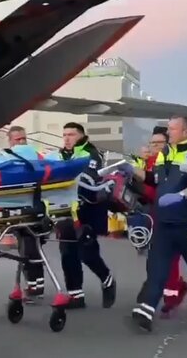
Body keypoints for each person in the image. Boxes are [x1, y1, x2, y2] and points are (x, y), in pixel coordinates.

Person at [130, 116, 187, 332]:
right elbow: (155, 179)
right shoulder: (165, 154)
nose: (168, 133)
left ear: (185, 132)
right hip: (165, 224)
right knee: (156, 268)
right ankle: (146, 311)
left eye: (172, 129)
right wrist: (132, 171)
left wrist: (180, 196)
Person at [58, 122, 116, 309]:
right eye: (65, 135)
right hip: (66, 210)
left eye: (71, 134)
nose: (67, 138)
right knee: (68, 253)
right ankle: (76, 295)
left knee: (87, 253)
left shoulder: (91, 153)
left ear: (81, 135)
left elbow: (89, 179)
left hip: (87, 211)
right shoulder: (61, 155)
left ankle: (107, 279)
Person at [6, 126, 48, 300]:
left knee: (30, 245)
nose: (22, 142)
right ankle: (34, 284)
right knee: (27, 246)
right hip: (16, 208)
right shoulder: (6, 159)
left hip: (36, 207)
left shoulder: (37, 156)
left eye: (24, 138)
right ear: (10, 141)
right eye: (18, 139)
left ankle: (35, 285)